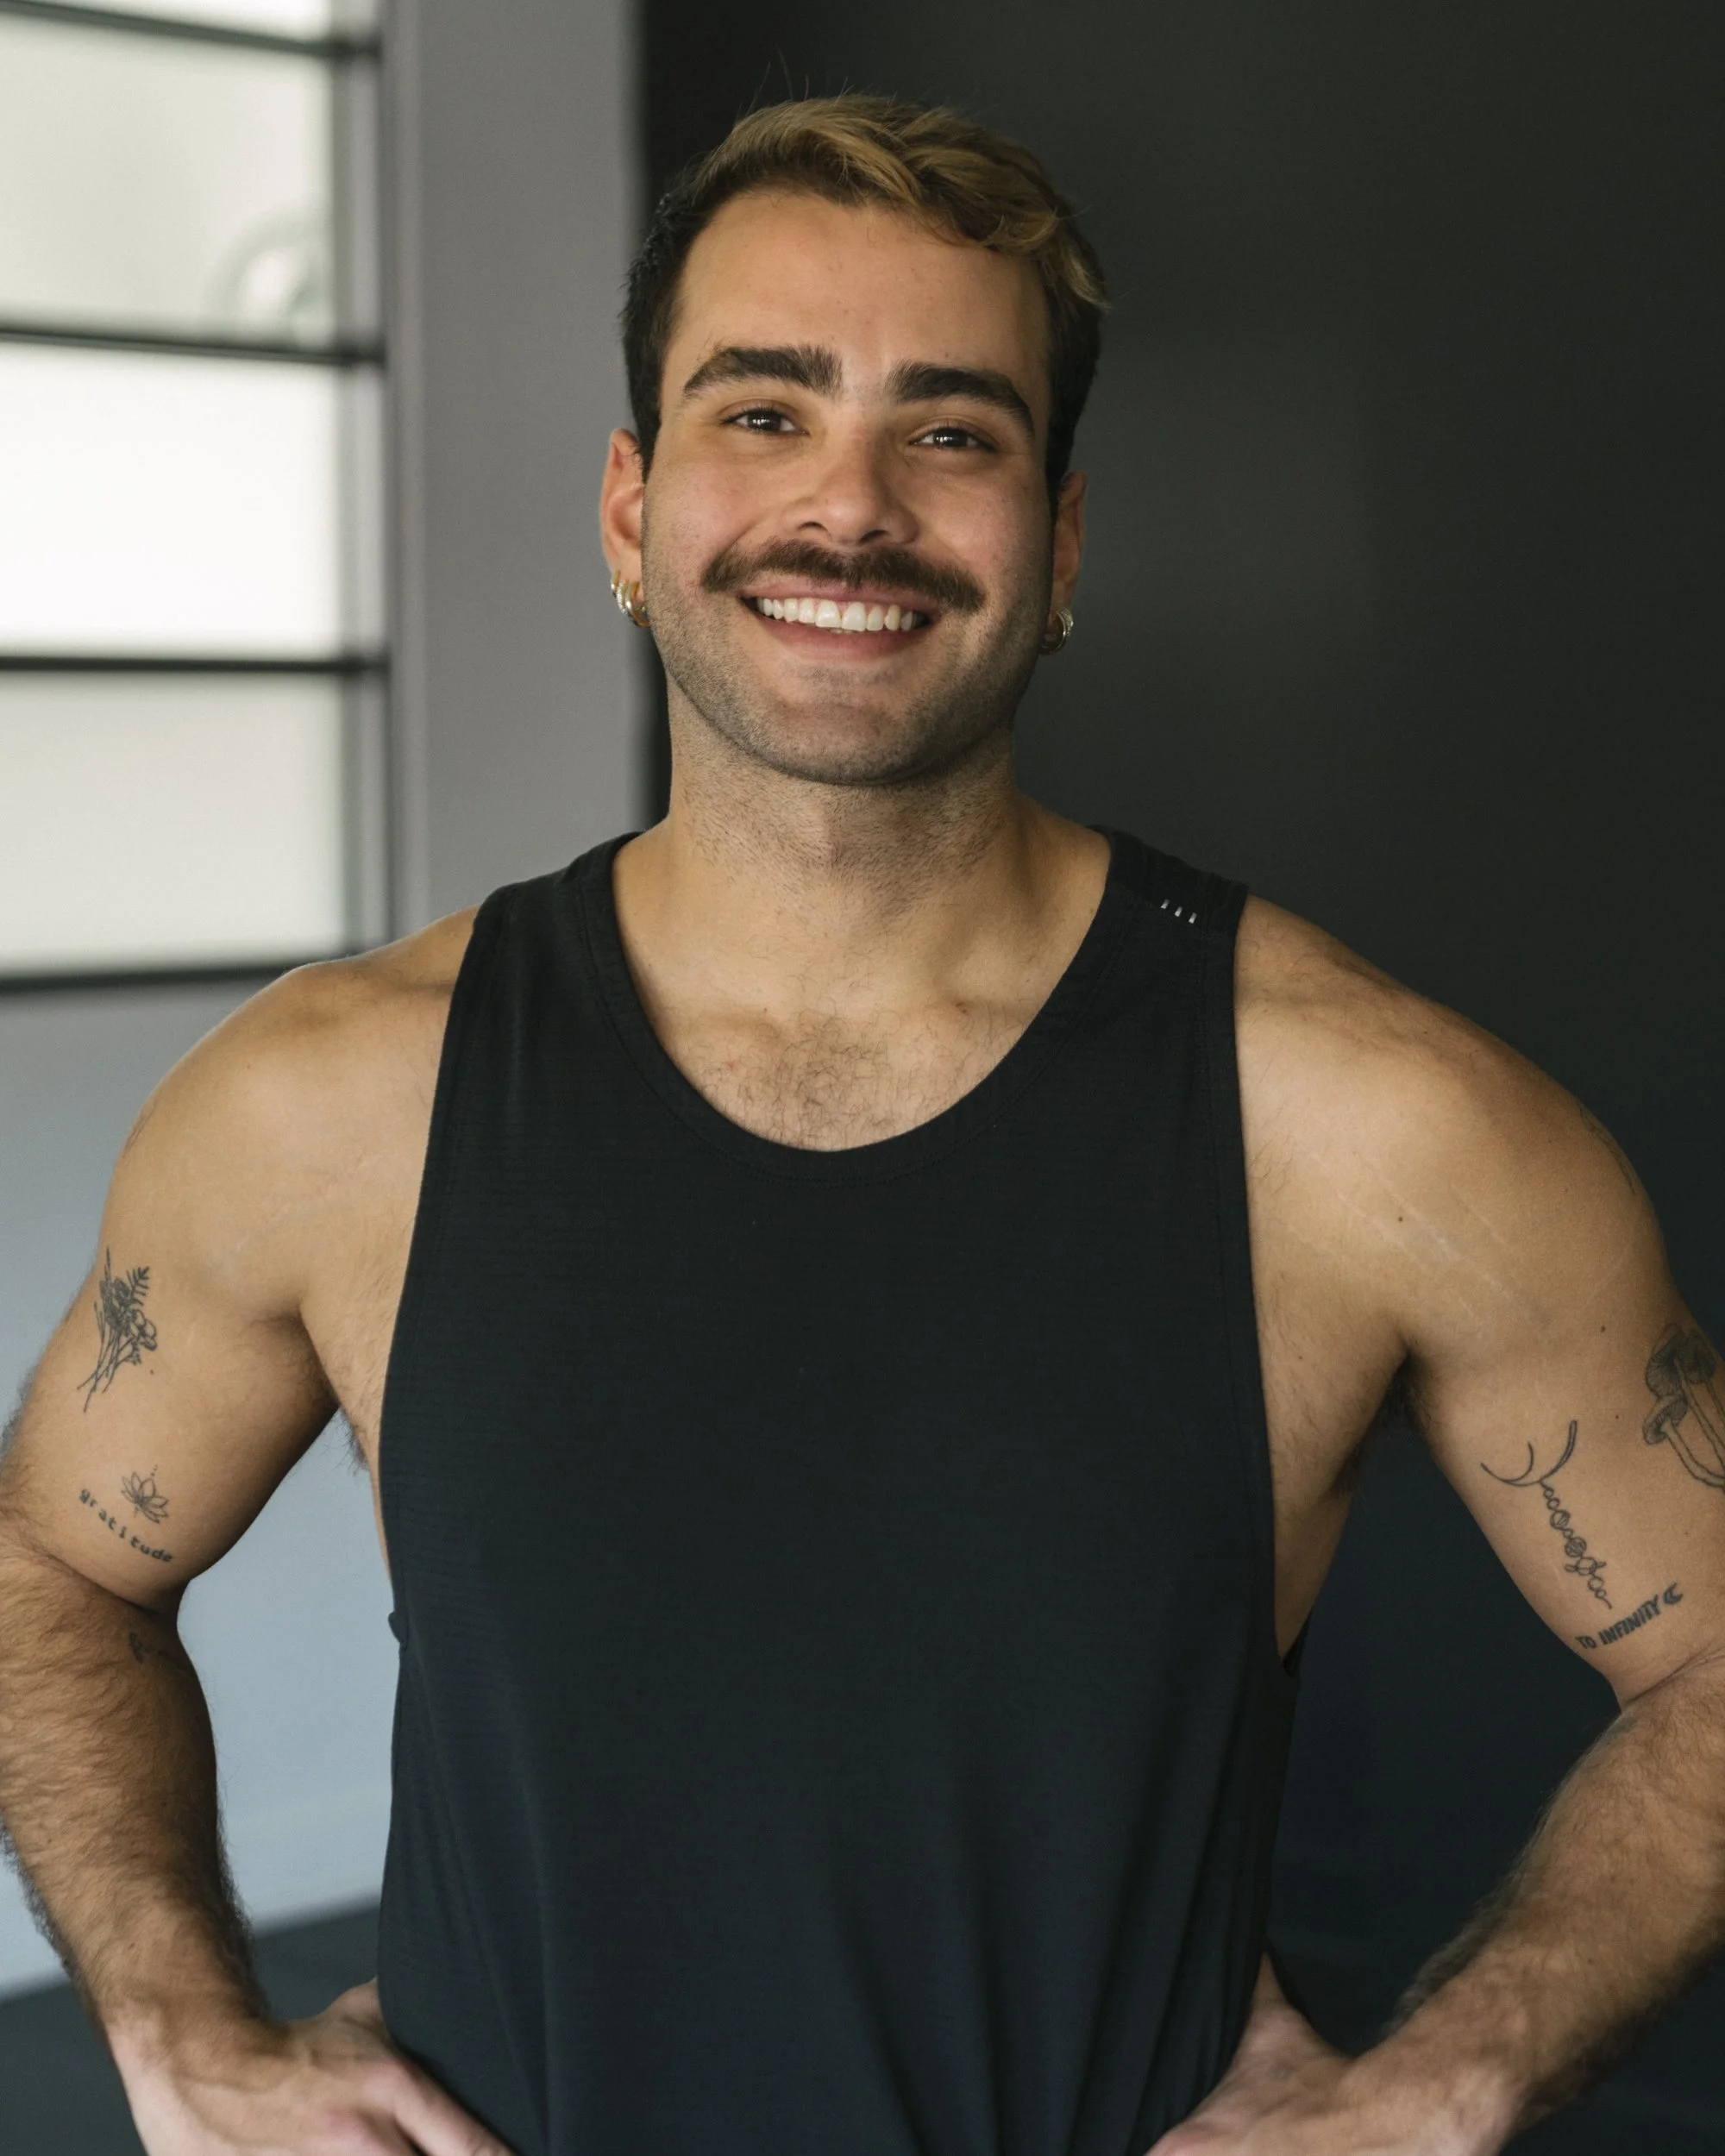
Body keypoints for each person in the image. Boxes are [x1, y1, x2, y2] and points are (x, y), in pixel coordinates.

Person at [1, 92, 1722, 2156]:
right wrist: (181, 2038)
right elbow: (51, 1560)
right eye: (761, 410)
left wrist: (1451, 2079)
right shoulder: (333, 1097)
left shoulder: (1373, 1124)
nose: (850, 506)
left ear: (1058, 540)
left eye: (951, 428)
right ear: (629, 511)